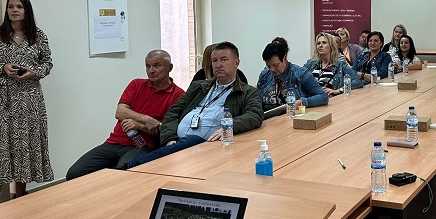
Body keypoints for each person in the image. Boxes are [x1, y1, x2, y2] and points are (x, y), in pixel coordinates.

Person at [123, 42, 263, 168]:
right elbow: (173, 112)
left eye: (224, 60)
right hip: (177, 142)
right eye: (214, 60)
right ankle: (133, 167)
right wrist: (169, 139)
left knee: (190, 140)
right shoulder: (199, 86)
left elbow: (255, 115)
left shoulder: (247, 91)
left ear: (236, 62)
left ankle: (132, 166)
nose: (218, 65)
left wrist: (229, 126)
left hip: (206, 145)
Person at [0, 0, 53, 207]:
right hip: (2, 99)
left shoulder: (38, 36)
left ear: (26, 10)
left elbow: (47, 64)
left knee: (24, 146)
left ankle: (19, 199)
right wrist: (2, 67)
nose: (14, 10)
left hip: (30, 99)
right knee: (0, 147)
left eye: (19, 6)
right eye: (11, 6)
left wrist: (33, 72)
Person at [66, 50, 185, 179]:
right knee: (74, 173)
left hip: (144, 146)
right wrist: (145, 119)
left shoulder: (178, 95)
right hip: (114, 142)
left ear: (170, 67)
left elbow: (164, 129)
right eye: (147, 66)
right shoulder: (136, 84)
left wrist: (139, 126)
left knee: (121, 176)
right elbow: (120, 112)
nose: (151, 70)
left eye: (156, 66)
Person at [258, 39, 329, 108]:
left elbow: (323, 97)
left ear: (285, 59)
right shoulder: (264, 75)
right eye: (268, 66)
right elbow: (257, 101)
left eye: (276, 65)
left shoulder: (301, 74)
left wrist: (301, 102)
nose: (272, 69)